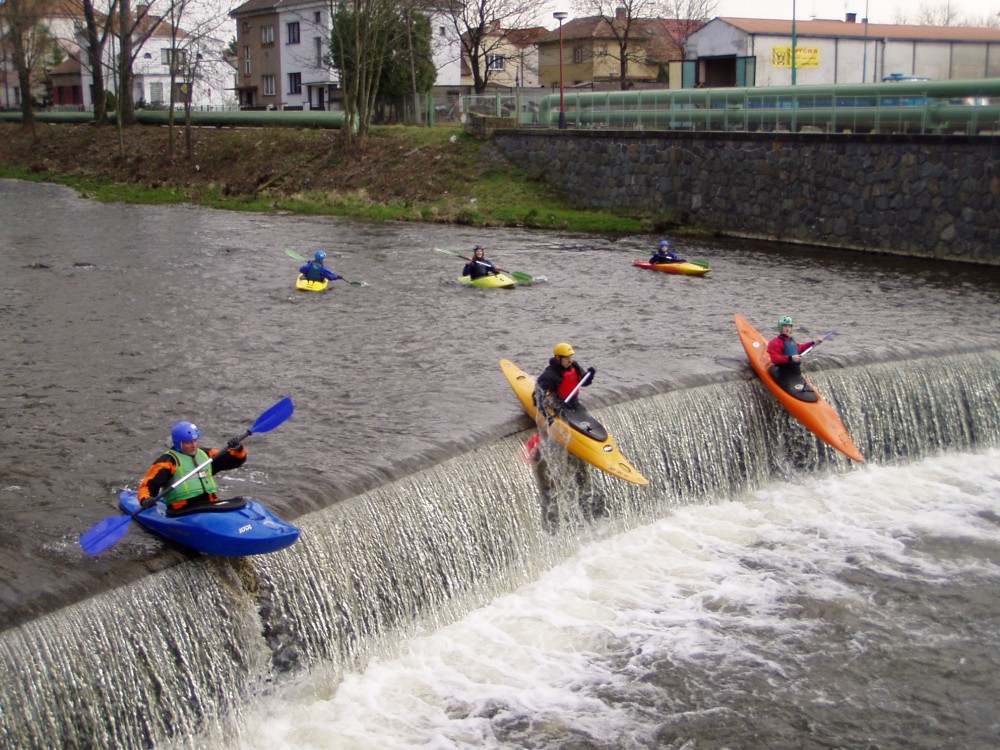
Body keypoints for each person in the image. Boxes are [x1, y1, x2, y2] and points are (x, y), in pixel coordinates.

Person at [137, 421, 247, 516]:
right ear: (178, 443)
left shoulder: (206, 454)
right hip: (183, 510)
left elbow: (235, 460)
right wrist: (145, 499)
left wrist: (238, 449)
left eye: (195, 440)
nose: (193, 445)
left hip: (211, 504)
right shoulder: (167, 462)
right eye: (188, 442)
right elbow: (147, 486)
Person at [535, 342, 596, 417]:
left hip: (574, 402)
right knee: (563, 413)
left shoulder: (574, 366)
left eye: (570, 357)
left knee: (583, 411)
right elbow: (537, 395)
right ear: (558, 358)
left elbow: (584, 383)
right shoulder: (550, 375)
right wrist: (545, 414)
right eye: (567, 358)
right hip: (557, 404)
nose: (570, 361)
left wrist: (590, 375)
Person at [767, 315, 823, 383]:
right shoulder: (775, 342)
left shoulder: (791, 341)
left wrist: (814, 343)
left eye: (789, 326)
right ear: (780, 327)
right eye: (785, 326)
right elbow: (775, 359)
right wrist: (791, 358)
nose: (788, 328)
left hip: (796, 373)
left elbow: (801, 348)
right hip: (784, 374)